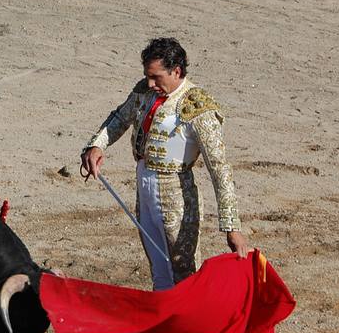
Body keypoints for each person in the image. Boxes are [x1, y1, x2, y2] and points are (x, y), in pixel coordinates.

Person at [80, 37, 247, 291]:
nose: (150, 83)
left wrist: (231, 227)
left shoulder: (197, 106)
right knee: (158, 269)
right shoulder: (145, 91)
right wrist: (97, 145)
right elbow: (120, 118)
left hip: (176, 196)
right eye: (148, 76)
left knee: (183, 272)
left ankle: (187, 328)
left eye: (156, 77)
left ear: (176, 71)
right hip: (144, 186)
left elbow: (220, 170)